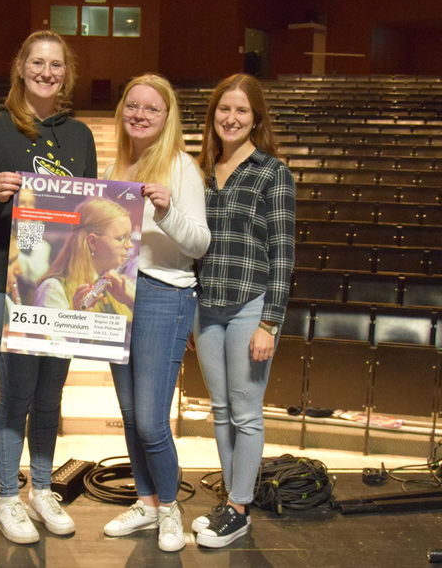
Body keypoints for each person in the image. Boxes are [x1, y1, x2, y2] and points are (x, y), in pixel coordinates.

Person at [0, 30, 97, 544]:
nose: (46, 72)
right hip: (6, 281)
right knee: (16, 392)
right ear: (20, 66)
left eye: (56, 65)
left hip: (60, 285)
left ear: (67, 73)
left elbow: (87, 213)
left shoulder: (79, 136)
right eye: (37, 62)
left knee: (50, 390)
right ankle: (7, 497)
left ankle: (42, 488)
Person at [99, 73, 211, 552]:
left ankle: (170, 507)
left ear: (168, 118)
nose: (140, 115)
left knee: (150, 419)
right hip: (119, 295)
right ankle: (146, 503)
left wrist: (166, 211)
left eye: (151, 108)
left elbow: (200, 244)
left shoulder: (181, 168)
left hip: (165, 294)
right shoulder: (118, 165)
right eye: (133, 106)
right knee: (128, 413)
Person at [191, 73, 296, 548]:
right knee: (219, 410)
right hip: (207, 305)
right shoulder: (201, 170)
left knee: (246, 413)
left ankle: (239, 509)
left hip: (251, 306)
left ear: (256, 119)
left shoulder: (272, 172)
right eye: (223, 110)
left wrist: (270, 322)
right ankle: (232, 500)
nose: (231, 118)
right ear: (213, 116)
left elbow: (283, 252)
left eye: (241, 111)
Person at [34, 197, 135, 316]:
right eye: (120, 238)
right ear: (92, 242)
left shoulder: (123, 287)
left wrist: (132, 303)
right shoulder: (53, 289)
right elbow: (47, 335)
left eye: (129, 238)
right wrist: (79, 319)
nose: (130, 245)